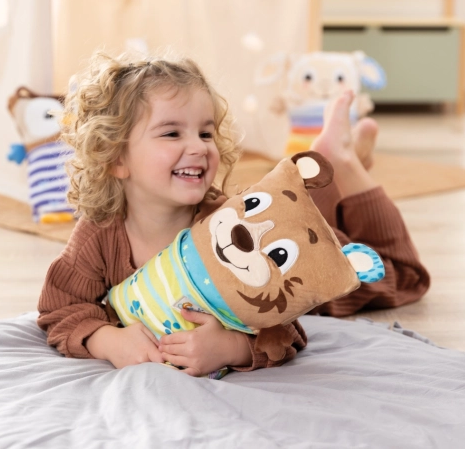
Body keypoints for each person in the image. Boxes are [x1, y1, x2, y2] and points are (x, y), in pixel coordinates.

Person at [37, 50, 429, 377]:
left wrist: (232, 348)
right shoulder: (100, 233)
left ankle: (344, 163)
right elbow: (59, 308)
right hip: (282, 221)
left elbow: (288, 332)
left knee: (398, 276)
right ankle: (335, 162)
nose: (198, 147)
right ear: (116, 158)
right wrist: (108, 340)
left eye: (206, 133)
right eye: (172, 133)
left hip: (291, 253)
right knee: (318, 209)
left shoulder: (233, 224)